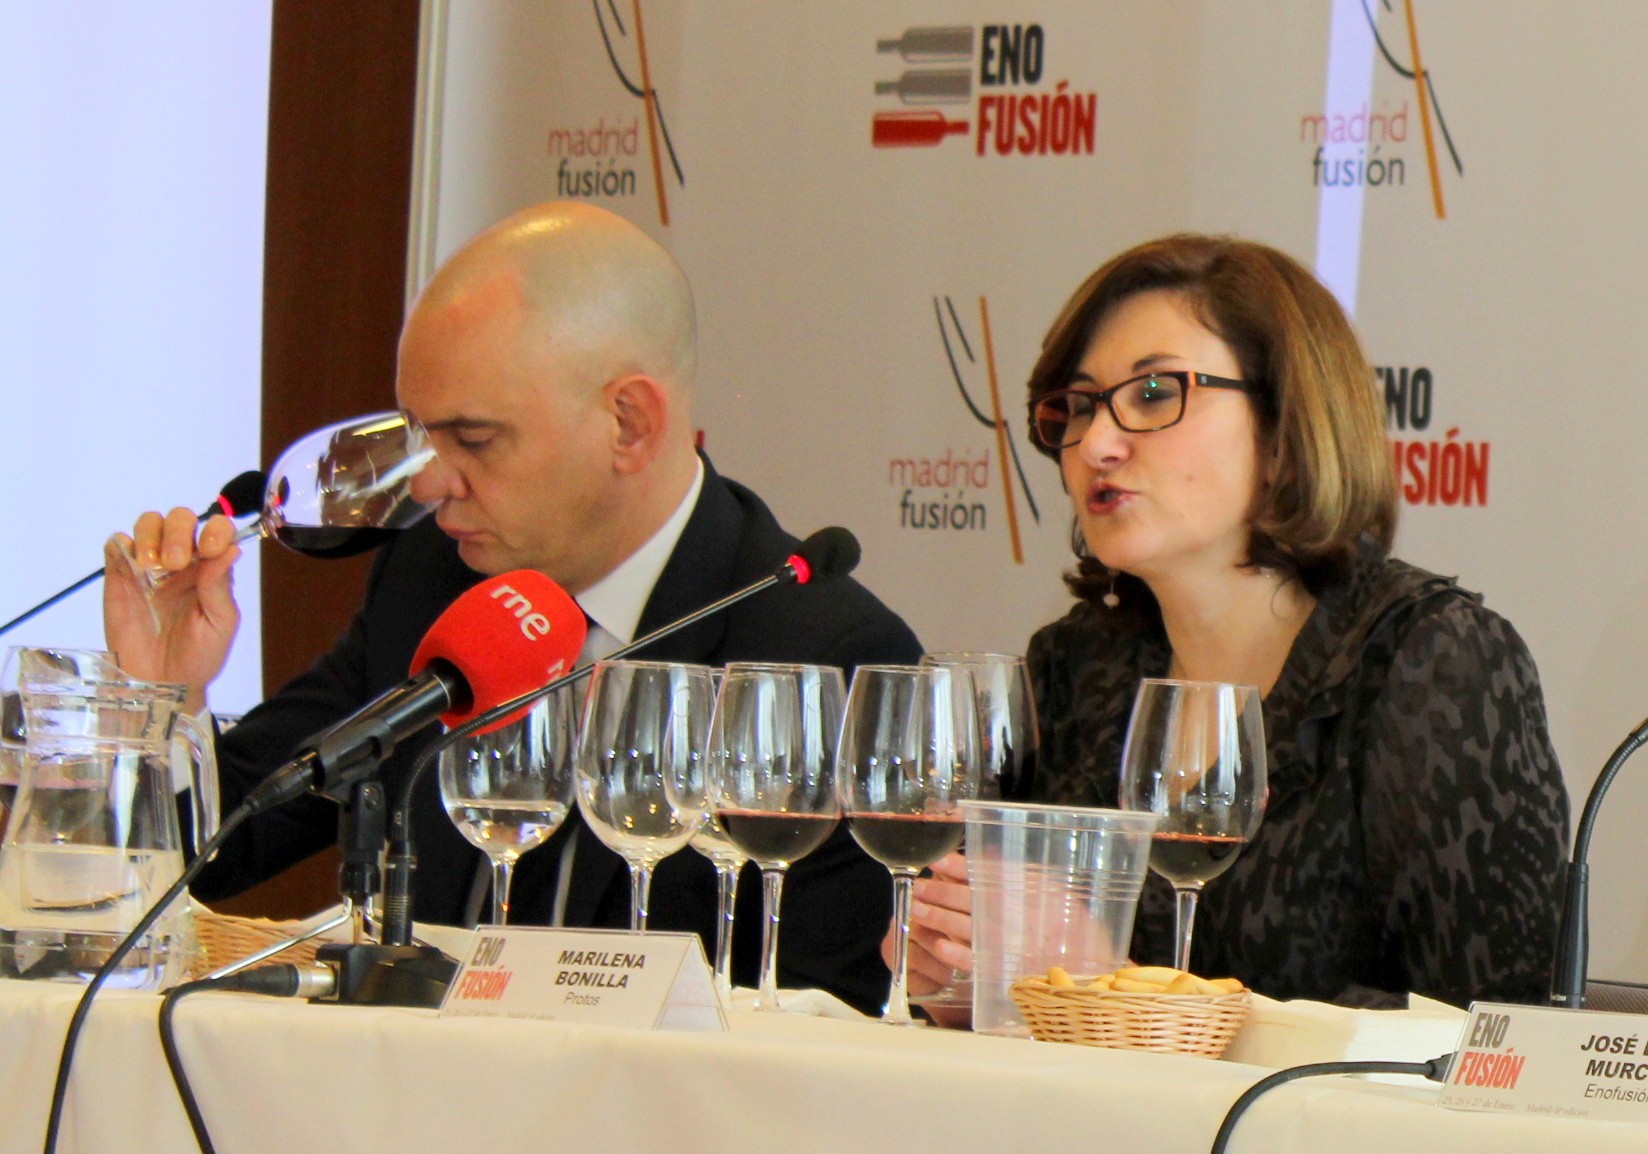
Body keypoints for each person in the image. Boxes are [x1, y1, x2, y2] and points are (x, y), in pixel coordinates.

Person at [104, 201, 922, 1014]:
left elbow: (825, 1015)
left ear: (629, 424)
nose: (431, 484)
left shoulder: (821, 653)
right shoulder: (433, 576)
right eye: (420, 437)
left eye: (474, 440)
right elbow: (224, 844)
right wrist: (164, 697)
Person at [897, 233, 1569, 1011]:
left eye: (1155, 394)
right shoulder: (1077, 668)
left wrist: (1114, 984)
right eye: (1080, 406)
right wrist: (960, 976)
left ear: (1284, 434)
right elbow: (1023, 989)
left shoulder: (1430, 664)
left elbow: (1492, 1035)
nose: (1097, 444)